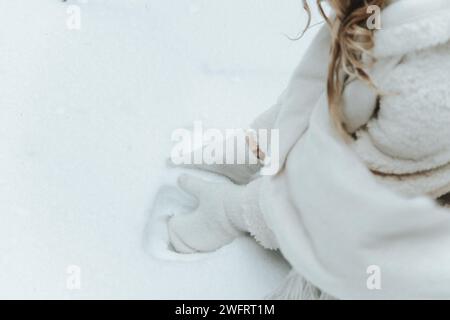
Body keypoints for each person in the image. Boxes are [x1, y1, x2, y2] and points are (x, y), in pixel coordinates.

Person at [167, 0, 450, 299]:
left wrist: (233, 210)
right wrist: (256, 147)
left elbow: (343, 199)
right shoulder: (390, 12)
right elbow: (322, 89)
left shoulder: (428, 89)